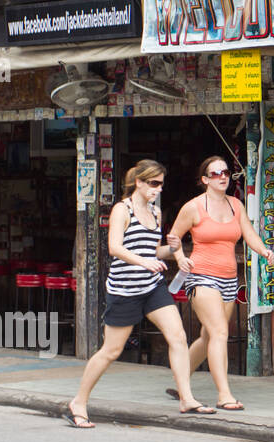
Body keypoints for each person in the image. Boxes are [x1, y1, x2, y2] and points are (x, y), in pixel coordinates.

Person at [64, 161, 212, 427]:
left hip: (152, 286)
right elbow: (115, 248)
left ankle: (186, 398)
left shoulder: (156, 213)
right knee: (111, 350)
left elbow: (154, 251)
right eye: (154, 183)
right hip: (124, 290)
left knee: (178, 336)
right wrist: (144, 262)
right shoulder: (123, 209)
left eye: (161, 184)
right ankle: (79, 401)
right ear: (139, 183)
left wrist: (174, 252)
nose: (158, 189)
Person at [168, 155, 274, 411]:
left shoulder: (236, 205)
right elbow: (174, 236)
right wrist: (180, 257)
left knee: (208, 336)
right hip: (201, 276)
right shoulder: (193, 207)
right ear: (205, 180)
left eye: (225, 172)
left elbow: (249, 234)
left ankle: (181, 382)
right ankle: (224, 395)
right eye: (215, 174)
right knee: (219, 333)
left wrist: (265, 251)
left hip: (228, 278)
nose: (222, 177)